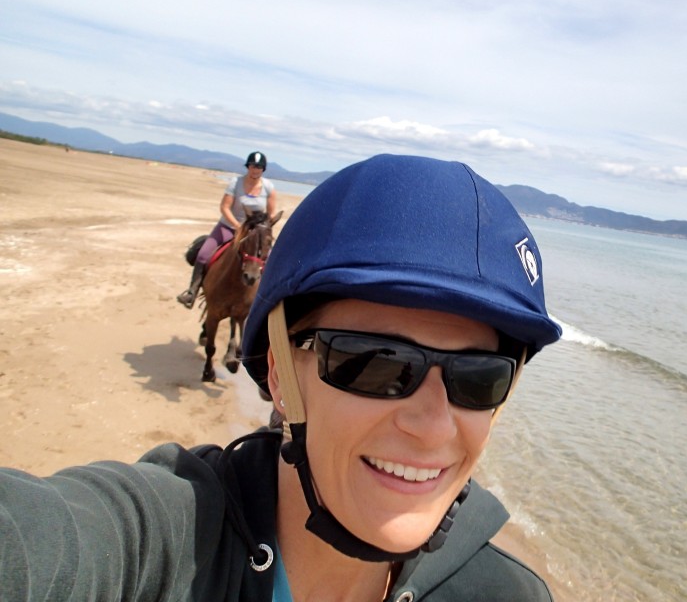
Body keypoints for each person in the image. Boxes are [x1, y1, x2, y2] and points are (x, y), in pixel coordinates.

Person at [0, 153, 563, 601]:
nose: (434, 427)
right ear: (277, 367)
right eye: (377, 363)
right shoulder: (153, 542)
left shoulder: (509, 593)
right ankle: (197, 291)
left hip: (260, 227)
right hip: (235, 228)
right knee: (210, 251)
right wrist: (238, 224)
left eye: (480, 377)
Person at [177, 150, 278, 309]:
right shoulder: (235, 184)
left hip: (254, 233)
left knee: (272, 261)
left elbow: (271, 212)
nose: (255, 169)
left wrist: (263, 227)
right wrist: (239, 227)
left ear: (263, 169)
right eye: (252, 166)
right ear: (248, 167)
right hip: (229, 227)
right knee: (203, 254)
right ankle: (192, 291)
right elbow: (224, 207)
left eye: (259, 167)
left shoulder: (268, 187)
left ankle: (265, 300)